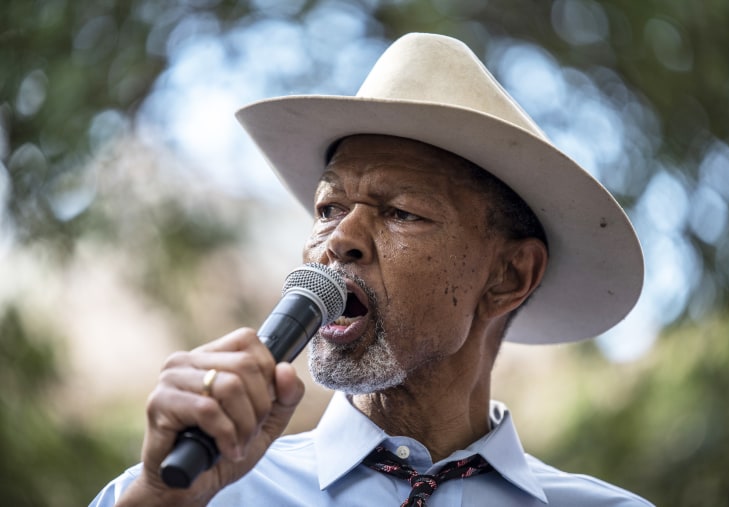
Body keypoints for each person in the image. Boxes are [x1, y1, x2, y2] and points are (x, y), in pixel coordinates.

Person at [90, 33, 651, 506]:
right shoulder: (191, 492)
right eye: (329, 209)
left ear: (509, 276)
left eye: (401, 213)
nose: (340, 240)